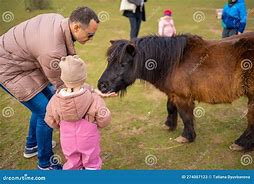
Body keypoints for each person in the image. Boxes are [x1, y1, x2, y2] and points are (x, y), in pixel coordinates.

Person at [0, 6, 116, 170]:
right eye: (90, 35)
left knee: (44, 104)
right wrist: (90, 93)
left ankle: (32, 145)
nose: (91, 39)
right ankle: (45, 163)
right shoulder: (53, 49)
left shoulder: (60, 22)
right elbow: (66, 86)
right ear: (76, 27)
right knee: (45, 111)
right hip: (8, 69)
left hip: (25, 64)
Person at [44, 55, 111, 170]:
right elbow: (104, 118)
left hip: (67, 137)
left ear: (63, 78)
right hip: (88, 138)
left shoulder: (56, 99)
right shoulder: (93, 97)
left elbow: (50, 119)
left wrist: (59, 125)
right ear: (83, 77)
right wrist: (99, 124)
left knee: (72, 163)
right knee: (92, 162)